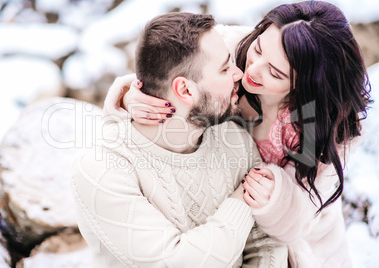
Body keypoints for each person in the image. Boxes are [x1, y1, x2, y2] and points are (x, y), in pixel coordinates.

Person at [104, 1, 372, 267]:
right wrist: (133, 96)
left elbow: (303, 219)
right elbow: (170, 75)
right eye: (257, 49)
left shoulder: (325, 127)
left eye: (275, 72)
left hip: (302, 249)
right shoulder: (227, 49)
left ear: (305, 85)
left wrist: (277, 199)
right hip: (215, 223)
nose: (251, 70)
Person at [71, 12, 288, 267]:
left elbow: (265, 244)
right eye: (224, 68)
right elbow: (175, 262)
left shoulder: (233, 138)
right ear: (185, 90)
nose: (239, 73)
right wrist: (241, 201)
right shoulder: (102, 170)